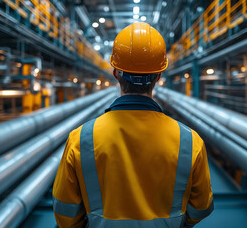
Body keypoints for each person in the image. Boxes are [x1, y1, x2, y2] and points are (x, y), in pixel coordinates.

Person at [52, 22, 213, 228]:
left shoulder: (81, 139)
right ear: (158, 76)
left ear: (116, 74)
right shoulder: (190, 141)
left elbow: (64, 213)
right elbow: (202, 207)